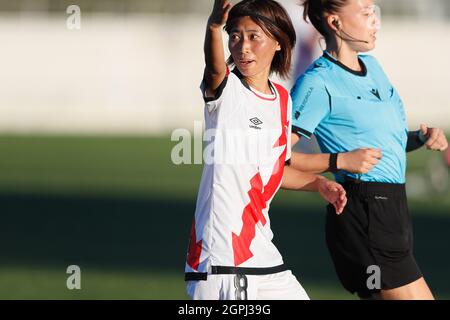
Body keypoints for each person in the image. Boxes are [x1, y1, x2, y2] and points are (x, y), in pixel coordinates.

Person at [184, 0, 347, 300]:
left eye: (253, 36)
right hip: (222, 259)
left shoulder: (283, 101)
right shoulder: (226, 90)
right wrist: (213, 26)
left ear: (278, 42)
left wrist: (320, 184)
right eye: (235, 36)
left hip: (263, 255)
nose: (242, 46)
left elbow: (276, 171)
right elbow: (215, 66)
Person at [289, 0, 448, 300]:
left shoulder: (373, 67)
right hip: (364, 214)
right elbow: (272, 155)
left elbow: (385, 140)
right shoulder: (317, 82)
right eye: (365, 13)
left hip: (394, 213)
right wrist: (339, 161)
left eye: (373, 12)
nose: (375, 21)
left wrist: (419, 138)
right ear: (334, 23)